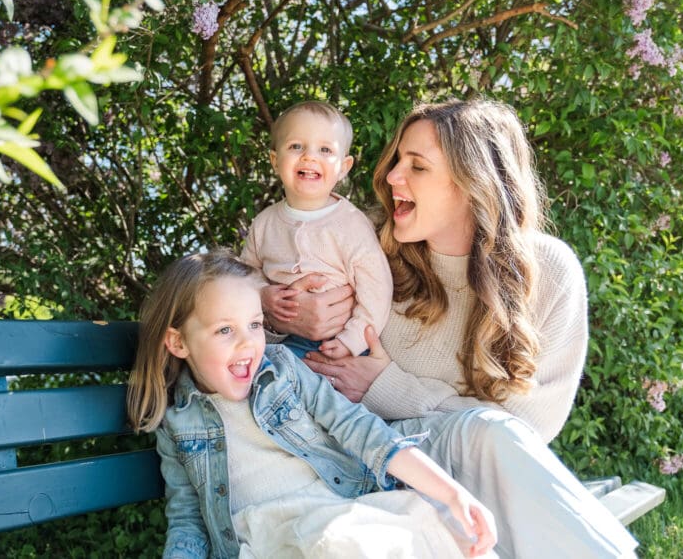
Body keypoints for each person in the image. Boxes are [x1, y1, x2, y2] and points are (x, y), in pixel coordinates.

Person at [263, 98, 638, 559]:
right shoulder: (365, 246)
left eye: (417, 167)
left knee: (491, 435)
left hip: (483, 478)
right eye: (398, 161)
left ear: (471, 183)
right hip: (371, 469)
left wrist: (389, 387)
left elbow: (525, 429)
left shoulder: (547, 271)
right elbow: (271, 326)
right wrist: (281, 317)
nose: (392, 177)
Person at [127, 250, 497, 559]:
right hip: (271, 539)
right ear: (178, 343)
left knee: (433, 532)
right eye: (225, 330)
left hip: (336, 508)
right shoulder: (177, 424)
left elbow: (363, 431)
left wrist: (451, 493)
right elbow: (188, 520)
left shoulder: (284, 370)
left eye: (255, 325)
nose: (248, 345)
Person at [240, 100, 392, 359]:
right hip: (275, 339)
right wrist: (262, 295)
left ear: (343, 168)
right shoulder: (264, 223)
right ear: (275, 161)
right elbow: (244, 276)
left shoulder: (352, 225)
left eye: (325, 149)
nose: (309, 156)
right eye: (296, 146)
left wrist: (352, 340)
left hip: (335, 342)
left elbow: (377, 289)